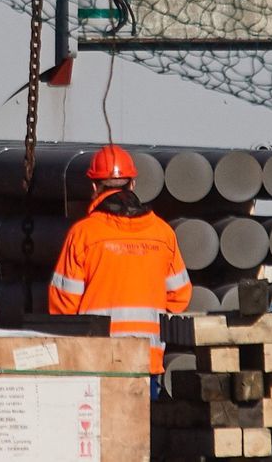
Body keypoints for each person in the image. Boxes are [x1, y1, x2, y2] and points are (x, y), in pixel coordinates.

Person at [48, 144, 191, 380]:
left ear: (94, 187)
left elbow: (63, 307)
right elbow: (179, 296)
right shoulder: (163, 234)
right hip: (146, 359)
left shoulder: (83, 234)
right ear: (132, 184)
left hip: (97, 359)